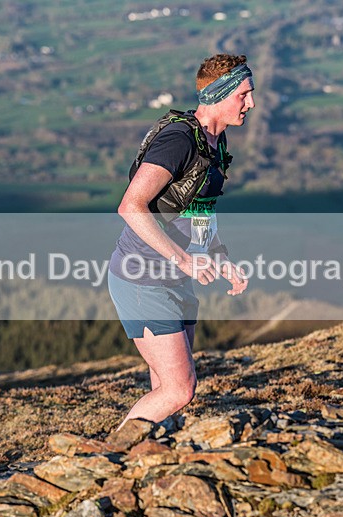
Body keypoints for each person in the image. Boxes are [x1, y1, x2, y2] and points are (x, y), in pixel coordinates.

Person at [108, 54, 255, 429]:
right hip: (142, 280)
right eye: (243, 95)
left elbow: (201, 210)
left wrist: (219, 256)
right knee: (179, 389)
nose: (250, 104)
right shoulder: (178, 141)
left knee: (166, 385)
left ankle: (146, 455)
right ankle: (112, 452)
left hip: (174, 279)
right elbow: (130, 205)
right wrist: (184, 260)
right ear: (219, 95)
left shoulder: (214, 143)